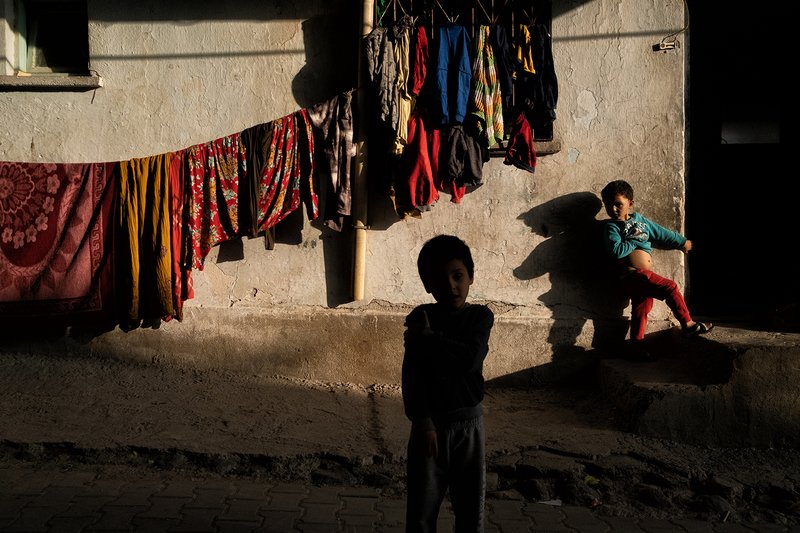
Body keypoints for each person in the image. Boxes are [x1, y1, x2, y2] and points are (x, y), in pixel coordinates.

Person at [402, 234, 495, 533]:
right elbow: (412, 376)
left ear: (470, 276)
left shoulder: (480, 317)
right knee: (421, 513)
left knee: (470, 514)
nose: (451, 286)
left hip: (469, 428)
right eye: (440, 280)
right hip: (430, 430)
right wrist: (423, 422)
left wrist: (430, 340)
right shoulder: (421, 317)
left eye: (458, 276)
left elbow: (469, 360)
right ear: (427, 285)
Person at [601, 180, 712, 361]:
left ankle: (636, 350)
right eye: (607, 204)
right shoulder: (612, 227)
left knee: (641, 311)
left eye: (617, 204)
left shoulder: (641, 222)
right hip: (633, 275)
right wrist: (635, 239)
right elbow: (616, 251)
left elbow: (661, 233)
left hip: (641, 279)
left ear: (630, 204)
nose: (612, 208)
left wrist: (683, 242)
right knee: (670, 287)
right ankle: (688, 324)